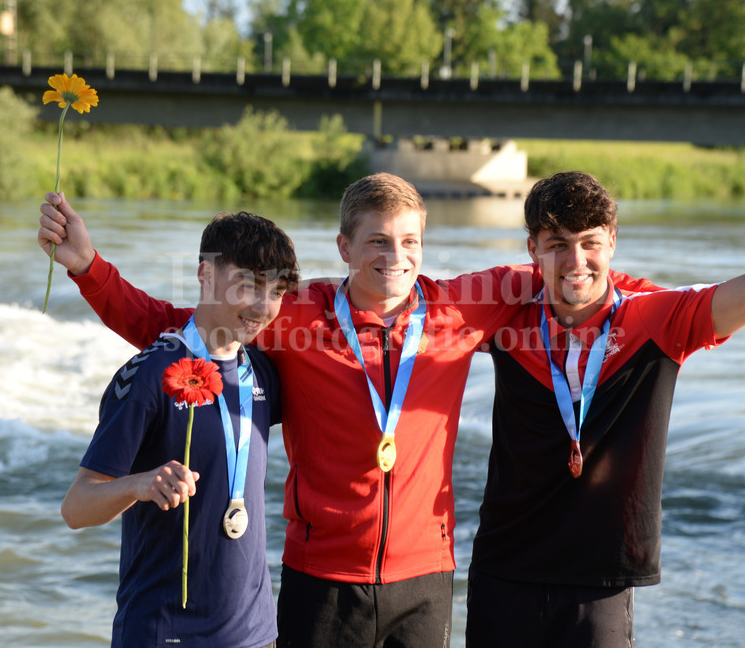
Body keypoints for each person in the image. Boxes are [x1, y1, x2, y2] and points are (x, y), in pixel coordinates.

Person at [39, 173, 656, 646]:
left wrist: (667, 309)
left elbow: (575, 270)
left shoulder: (462, 306)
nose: (395, 256)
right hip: (322, 576)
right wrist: (89, 268)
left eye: (409, 241)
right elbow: (175, 325)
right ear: (344, 246)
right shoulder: (293, 312)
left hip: (426, 578)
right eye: (377, 241)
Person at [464, 147, 745, 647]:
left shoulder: (655, 318)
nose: (576, 262)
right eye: (557, 245)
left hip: (600, 580)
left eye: (590, 243)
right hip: (503, 572)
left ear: (612, 242)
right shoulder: (504, 312)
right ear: (532, 248)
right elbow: (412, 311)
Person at [58, 211, 299, 647]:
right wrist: (139, 484)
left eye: (277, 292)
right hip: (162, 633)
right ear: (205, 275)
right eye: (249, 284)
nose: (263, 307)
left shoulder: (263, 372)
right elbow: (76, 508)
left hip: (256, 635)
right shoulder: (149, 374)